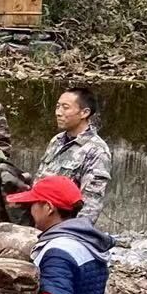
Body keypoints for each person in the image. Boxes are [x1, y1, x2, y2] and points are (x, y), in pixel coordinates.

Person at [35, 86, 112, 223]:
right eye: (57, 107)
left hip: (63, 224)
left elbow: (91, 204)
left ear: (84, 113)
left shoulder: (96, 150)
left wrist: (73, 231)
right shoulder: (57, 141)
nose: (58, 113)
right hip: (40, 215)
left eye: (65, 107)